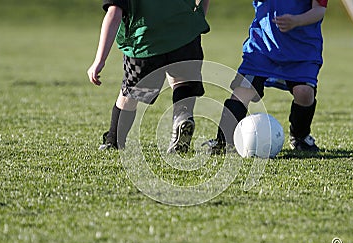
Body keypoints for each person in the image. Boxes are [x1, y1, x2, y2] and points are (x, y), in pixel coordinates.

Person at [204, 0, 327, 154]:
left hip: (302, 49)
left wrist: (297, 21)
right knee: (243, 90)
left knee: (304, 92)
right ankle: (223, 141)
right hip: (263, 46)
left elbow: (319, 10)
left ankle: (300, 137)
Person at [87, 0, 210, 152]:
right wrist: (197, 18)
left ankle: (114, 140)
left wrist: (100, 60)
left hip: (145, 42)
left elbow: (114, 13)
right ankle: (182, 118)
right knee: (183, 82)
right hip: (186, 35)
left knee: (130, 94)